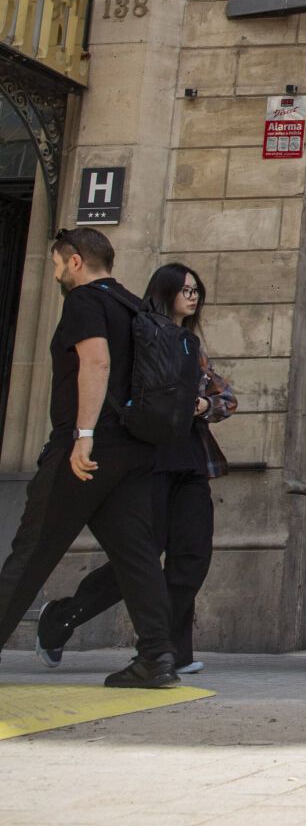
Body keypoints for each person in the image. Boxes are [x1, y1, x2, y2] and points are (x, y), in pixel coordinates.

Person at [36, 264, 237, 675]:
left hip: (191, 462)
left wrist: (203, 405)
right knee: (139, 559)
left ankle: (172, 651)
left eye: (197, 290)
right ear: (165, 291)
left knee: (192, 556)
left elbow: (226, 397)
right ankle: (64, 617)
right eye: (185, 289)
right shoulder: (141, 331)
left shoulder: (189, 344)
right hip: (149, 463)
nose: (193, 296)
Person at [0, 229, 178, 688]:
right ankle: (156, 658)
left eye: (59, 264)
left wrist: (82, 436)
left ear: (76, 261)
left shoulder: (84, 301)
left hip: (87, 449)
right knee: (136, 556)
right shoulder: (133, 305)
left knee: (33, 550)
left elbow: (95, 363)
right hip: (134, 450)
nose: (57, 272)